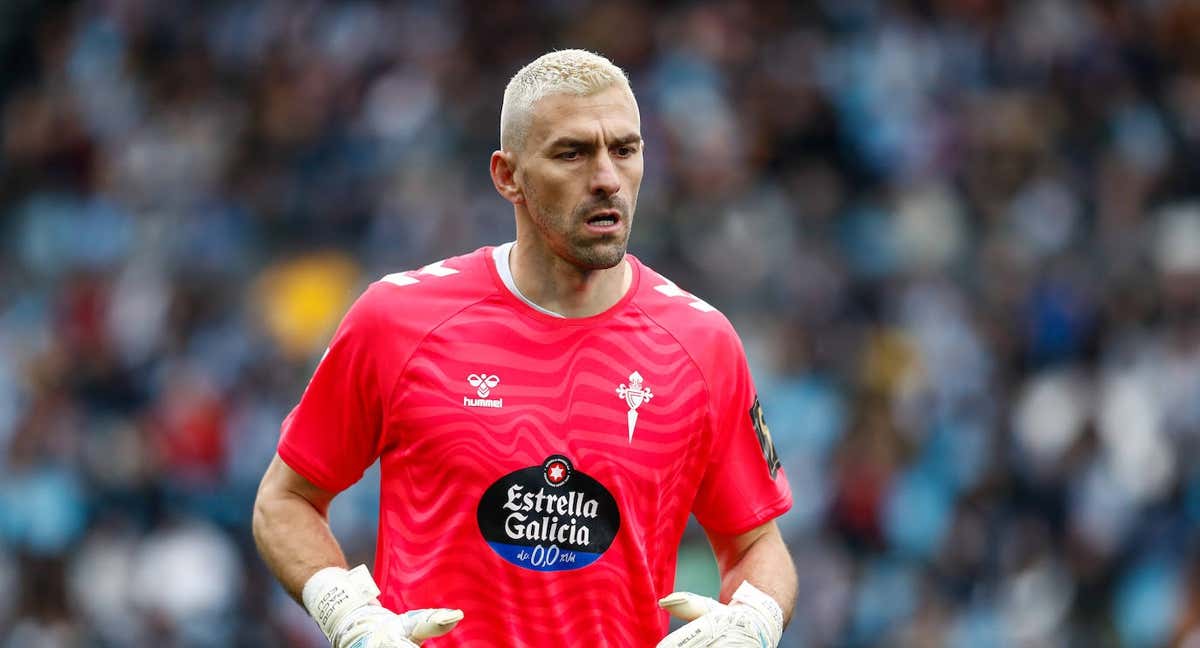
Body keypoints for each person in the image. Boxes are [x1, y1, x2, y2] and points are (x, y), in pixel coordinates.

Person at [252, 49, 797, 648]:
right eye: (572, 153)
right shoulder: (396, 319)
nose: (607, 178)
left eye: (625, 149)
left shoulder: (703, 343)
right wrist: (348, 615)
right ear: (507, 175)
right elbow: (286, 499)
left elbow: (757, 545)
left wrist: (754, 622)